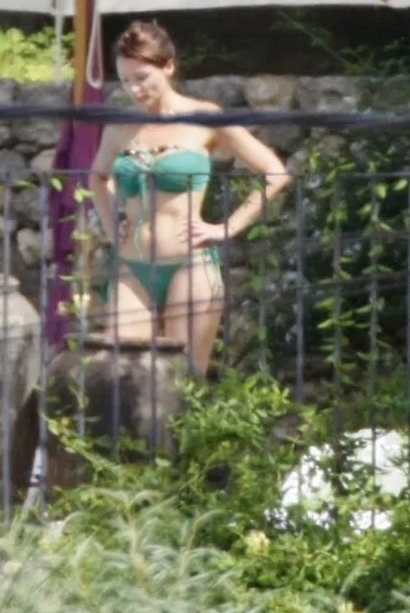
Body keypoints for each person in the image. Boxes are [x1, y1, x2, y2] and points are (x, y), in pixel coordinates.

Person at [88, 20, 290, 374]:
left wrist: (227, 227)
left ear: (168, 66)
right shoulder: (120, 125)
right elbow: (97, 176)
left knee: (183, 379)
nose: (134, 89)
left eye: (142, 77)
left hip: (189, 266)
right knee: (123, 375)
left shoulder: (204, 118)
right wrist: (109, 227)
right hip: (132, 266)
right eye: (125, 80)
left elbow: (275, 173)